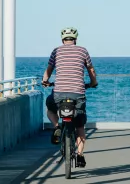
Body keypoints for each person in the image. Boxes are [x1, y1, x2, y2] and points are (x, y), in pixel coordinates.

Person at [41, 27, 98, 168]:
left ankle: (56, 126)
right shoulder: (83, 51)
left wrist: (45, 81)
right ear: (75, 39)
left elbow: (49, 69)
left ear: (62, 39)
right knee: (79, 124)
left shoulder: (56, 51)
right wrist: (93, 83)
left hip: (59, 94)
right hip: (78, 93)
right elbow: (91, 70)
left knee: (50, 107)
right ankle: (80, 155)